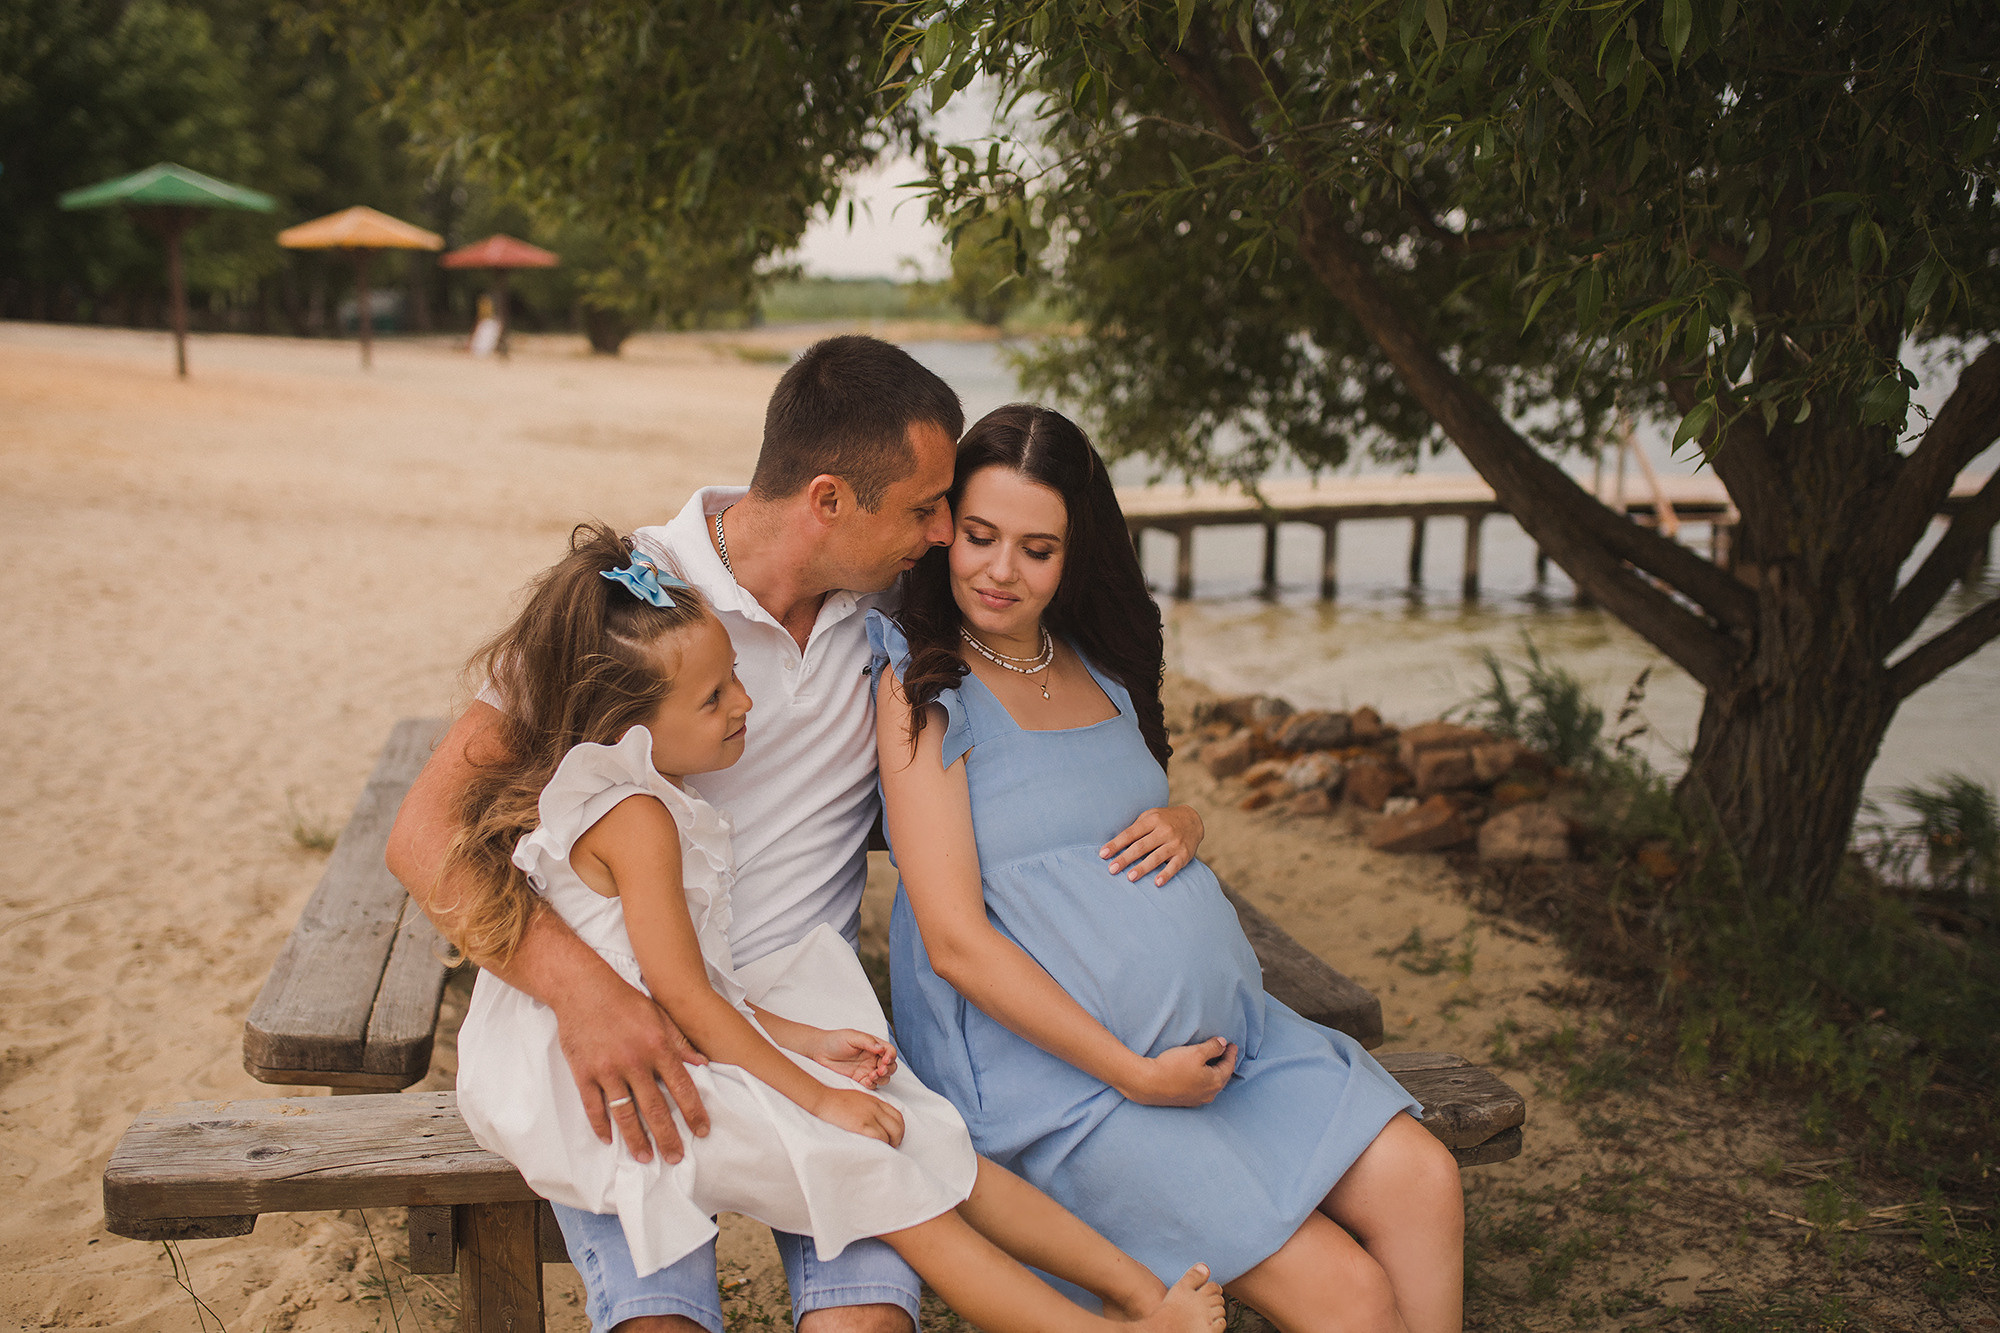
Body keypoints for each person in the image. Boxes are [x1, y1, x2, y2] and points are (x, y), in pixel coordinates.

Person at [385, 336, 1199, 1333]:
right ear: (827, 500)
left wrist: (1167, 808)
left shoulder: (898, 615)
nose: (946, 534)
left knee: (867, 1319)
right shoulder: (635, 607)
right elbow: (424, 836)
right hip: (628, 1001)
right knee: (659, 1321)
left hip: (803, 1015)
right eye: (922, 508)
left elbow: (1048, 720)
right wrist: (590, 999)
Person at [871, 404, 1468, 1333]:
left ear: (1075, 554)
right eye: (980, 536)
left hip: (1239, 1048)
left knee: (1424, 1178)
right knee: (1351, 1294)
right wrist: (1134, 1075)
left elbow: (1114, 808)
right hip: (1070, 1088)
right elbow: (954, 942)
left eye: (1037, 548)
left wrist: (1185, 818)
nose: (1000, 570)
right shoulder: (925, 688)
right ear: (945, 529)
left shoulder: (1101, 663)